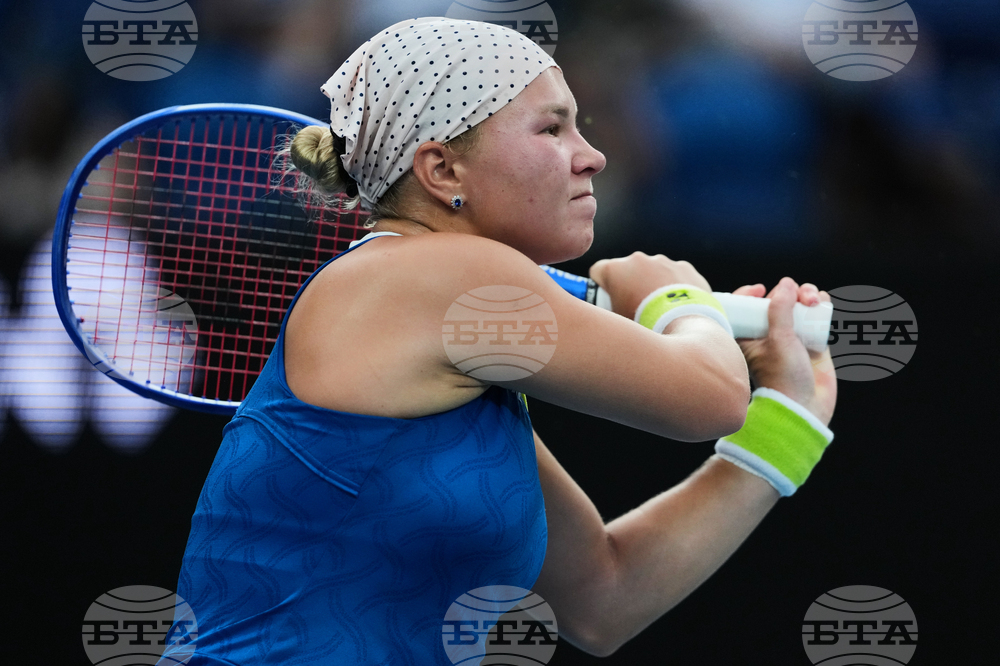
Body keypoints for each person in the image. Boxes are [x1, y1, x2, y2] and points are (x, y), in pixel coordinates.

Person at [168, 16, 837, 664]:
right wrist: (673, 297)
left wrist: (787, 422)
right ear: (443, 171)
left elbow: (604, 599)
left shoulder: (460, 372)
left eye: (580, 125)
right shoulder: (440, 275)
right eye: (552, 128)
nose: (593, 156)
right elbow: (711, 398)